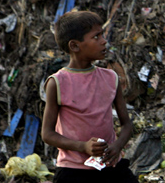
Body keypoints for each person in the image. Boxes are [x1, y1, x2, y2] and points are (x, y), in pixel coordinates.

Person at [42, 10, 138, 183]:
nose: (104, 41)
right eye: (96, 37)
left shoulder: (110, 78)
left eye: (102, 35)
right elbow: (47, 134)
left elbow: (126, 125)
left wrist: (117, 147)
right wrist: (83, 146)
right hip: (73, 169)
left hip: (110, 165)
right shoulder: (57, 82)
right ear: (75, 46)